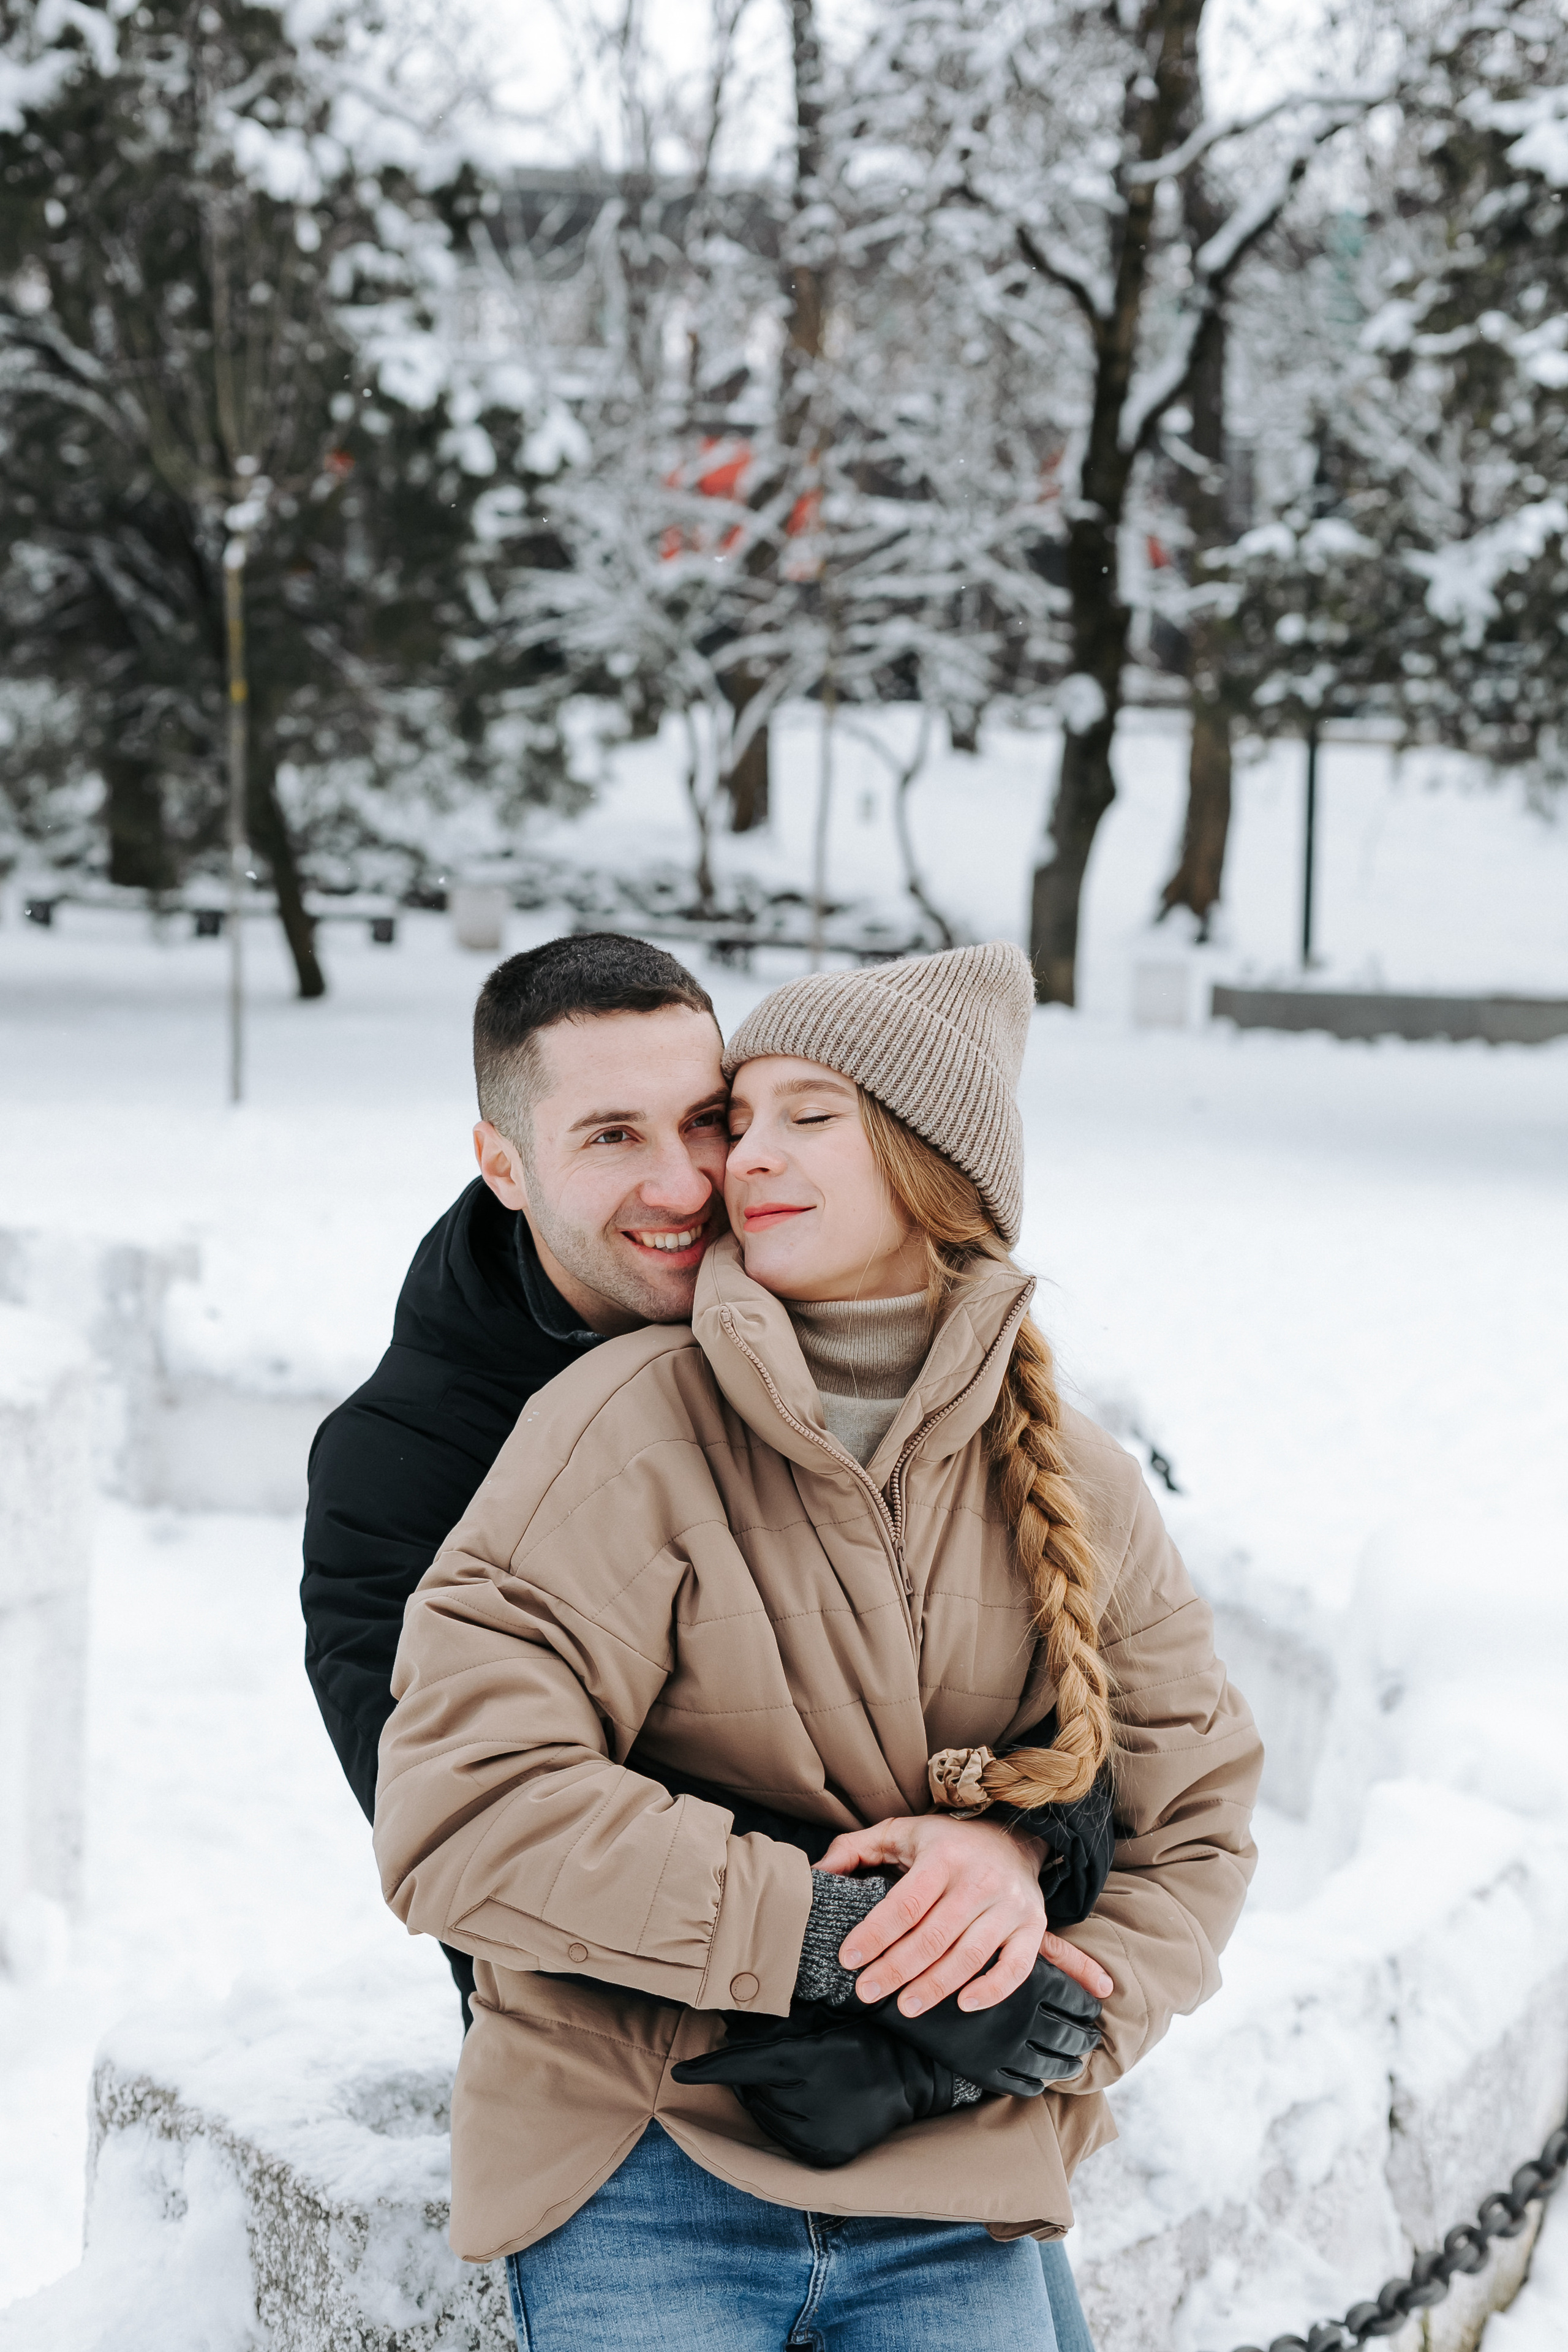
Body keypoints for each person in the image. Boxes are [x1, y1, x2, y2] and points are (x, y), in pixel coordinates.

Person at [372, 941, 1263, 2352]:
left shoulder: (1075, 1478)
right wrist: (846, 1940)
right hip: (639, 2155)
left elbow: (1191, 1821)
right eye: (748, 1115)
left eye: (805, 1117)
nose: (738, 1162)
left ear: (930, 1166)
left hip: (951, 2181)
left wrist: (1046, 2021)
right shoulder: (621, 1421)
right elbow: (463, 1808)